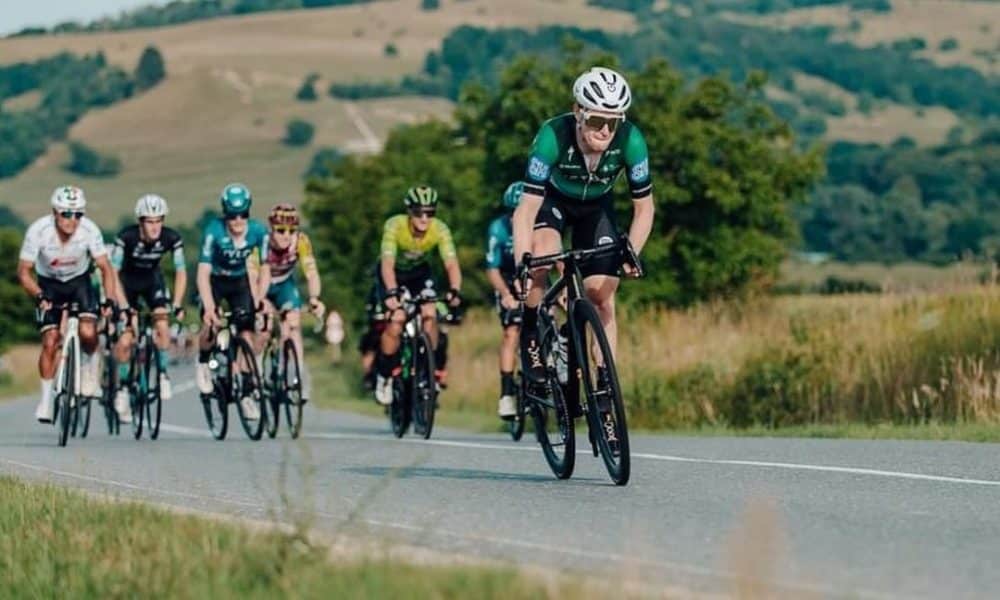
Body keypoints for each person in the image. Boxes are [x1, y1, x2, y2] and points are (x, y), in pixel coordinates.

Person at [513, 67, 654, 387]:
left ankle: (605, 382)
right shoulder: (553, 136)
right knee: (544, 254)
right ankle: (532, 329)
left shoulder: (631, 140)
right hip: (553, 200)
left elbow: (644, 207)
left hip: (596, 208)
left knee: (601, 295)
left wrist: (632, 252)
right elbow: (525, 211)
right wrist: (522, 261)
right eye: (596, 120)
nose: (605, 130)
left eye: (613, 122)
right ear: (578, 112)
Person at [17, 186, 117, 423]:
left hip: (78, 282)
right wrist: (39, 295)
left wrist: (109, 299)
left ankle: (90, 363)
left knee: (88, 331)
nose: (72, 220)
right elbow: (23, 272)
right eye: (66, 214)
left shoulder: (90, 231)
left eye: (78, 214)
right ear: (55, 212)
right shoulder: (38, 231)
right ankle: (46, 401)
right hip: (49, 283)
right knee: (50, 341)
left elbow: (105, 267)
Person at [373, 186, 462, 406]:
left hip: (420, 275)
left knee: (430, 313)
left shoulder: (440, 229)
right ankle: (384, 375)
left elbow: (451, 263)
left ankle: (428, 367)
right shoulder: (395, 225)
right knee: (396, 320)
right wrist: (392, 292)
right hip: (394, 275)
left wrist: (455, 289)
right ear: (409, 211)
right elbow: (387, 264)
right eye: (419, 212)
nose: (424, 218)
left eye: (430, 213)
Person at [195, 183, 271, 420]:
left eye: (243, 215)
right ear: (224, 214)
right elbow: (203, 273)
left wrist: (260, 298)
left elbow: (266, 268)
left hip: (240, 283)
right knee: (212, 324)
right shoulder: (213, 231)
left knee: (247, 335)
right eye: (232, 215)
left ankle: (246, 392)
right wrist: (208, 307)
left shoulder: (259, 232)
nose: (238, 221)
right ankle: (204, 362)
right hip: (216, 281)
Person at [109, 194, 187, 423]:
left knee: (162, 323)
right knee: (125, 339)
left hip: (153, 281)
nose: (155, 227)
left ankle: (163, 374)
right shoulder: (126, 237)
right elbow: (113, 273)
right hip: (127, 285)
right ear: (140, 222)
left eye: (159, 221)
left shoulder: (172, 238)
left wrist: (179, 302)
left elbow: (181, 271)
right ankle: (123, 388)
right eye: (149, 222)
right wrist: (122, 305)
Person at [262, 203, 324, 401]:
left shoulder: (301, 242)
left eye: (291, 230)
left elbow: (312, 273)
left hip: (284, 286)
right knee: (264, 325)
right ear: (271, 229)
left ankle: (297, 373)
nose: (286, 235)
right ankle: (259, 370)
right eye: (280, 230)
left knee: (293, 325)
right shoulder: (261, 242)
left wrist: (314, 298)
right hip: (260, 286)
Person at [486, 182, 523, 419]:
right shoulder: (498, 228)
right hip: (507, 279)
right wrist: (507, 294)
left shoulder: (541, 224)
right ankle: (507, 394)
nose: (516, 217)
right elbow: (492, 269)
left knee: (548, 313)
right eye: (513, 212)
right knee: (512, 331)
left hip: (534, 276)